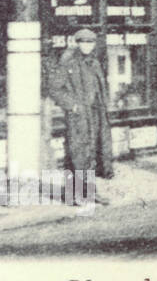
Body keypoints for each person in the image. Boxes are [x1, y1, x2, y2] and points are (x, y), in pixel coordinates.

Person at [47, 28, 114, 183]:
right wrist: (72, 105)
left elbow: (100, 88)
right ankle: (77, 193)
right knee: (77, 153)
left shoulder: (94, 62)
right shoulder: (68, 62)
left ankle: (88, 190)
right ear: (77, 43)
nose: (87, 46)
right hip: (79, 115)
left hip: (96, 114)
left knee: (92, 151)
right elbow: (55, 88)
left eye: (90, 42)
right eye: (83, 42)